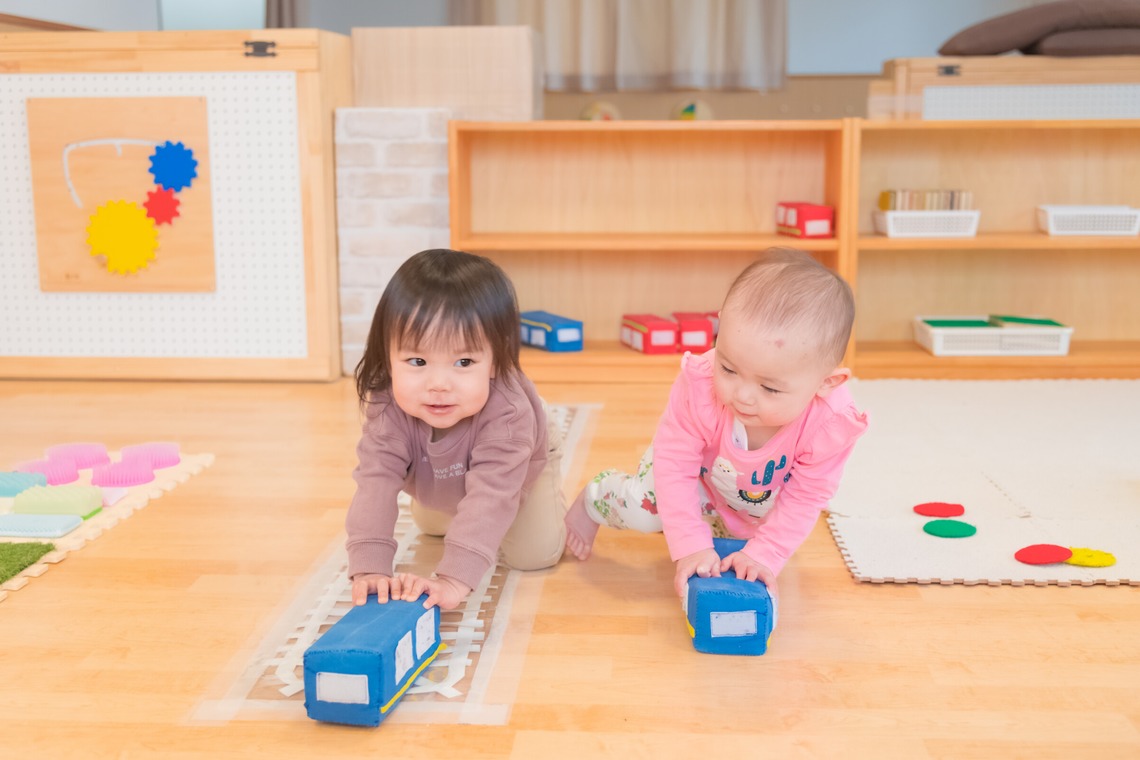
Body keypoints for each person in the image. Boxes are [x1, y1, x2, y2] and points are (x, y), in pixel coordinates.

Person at [564, 247, 868, 605]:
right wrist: (690, 546)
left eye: (769, 388)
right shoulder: (701, 384)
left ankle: (729, 529)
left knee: (747, 544)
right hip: (690, 474)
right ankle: (596, 499)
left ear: (826, 383)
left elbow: (805, 497)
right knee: (648, 510)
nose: (741, 396)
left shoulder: (830, 424)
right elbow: (675, 465)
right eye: (728, 367)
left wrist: (765, 553)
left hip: (753, 499)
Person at [346, 248, 566, 611]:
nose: (439, 384)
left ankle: (561, 501)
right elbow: (375, 481)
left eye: (463, 362)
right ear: (388, 357)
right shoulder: (388, 404)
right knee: (436, 524)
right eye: (417, 361)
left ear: (496, 359)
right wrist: (369, 566)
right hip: (440, 470)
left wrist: (453, 579)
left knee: (534, 554)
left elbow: (492, 495)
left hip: (520, 461)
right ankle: (446, 501)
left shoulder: (508, 414)